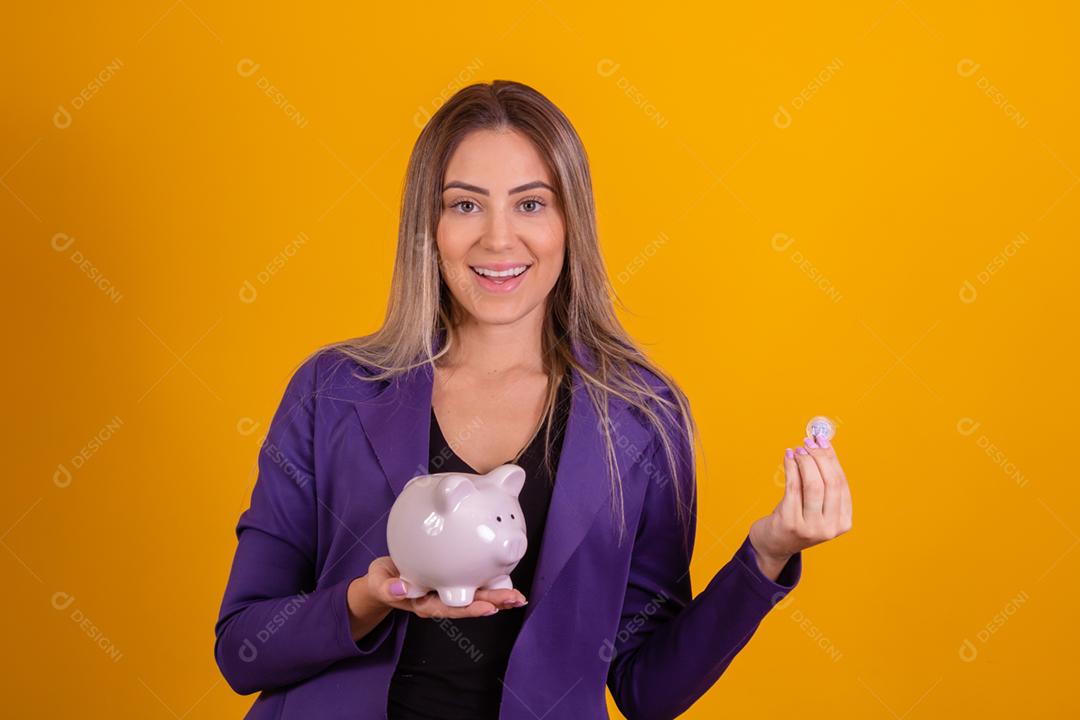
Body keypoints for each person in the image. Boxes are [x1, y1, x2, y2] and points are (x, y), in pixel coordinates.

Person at [214, 79, 852, 720]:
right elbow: (242, 648)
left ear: (569, 221)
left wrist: (768, 555)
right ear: (427, 226)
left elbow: (647, 690)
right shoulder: (334, 390)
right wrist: (367, 598)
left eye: (530, 204)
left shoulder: (639, 417)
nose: (497, 239)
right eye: (465, 205)